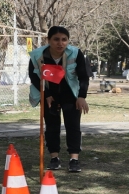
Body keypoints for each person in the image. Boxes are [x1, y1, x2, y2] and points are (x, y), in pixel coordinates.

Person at [28, 26, 89, 172]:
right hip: (49, 95)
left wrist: (81, 97)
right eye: (56, 39)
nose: (60, 43)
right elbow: (34, 77)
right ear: (48, 40)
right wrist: (47, 94)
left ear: (68, 41)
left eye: (64, 39)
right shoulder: (37, 55)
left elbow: (83, 76)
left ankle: (74, 160)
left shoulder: (76, 53)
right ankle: (54, 158)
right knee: (52, 126)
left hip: (70, 95)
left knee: (73, 126)